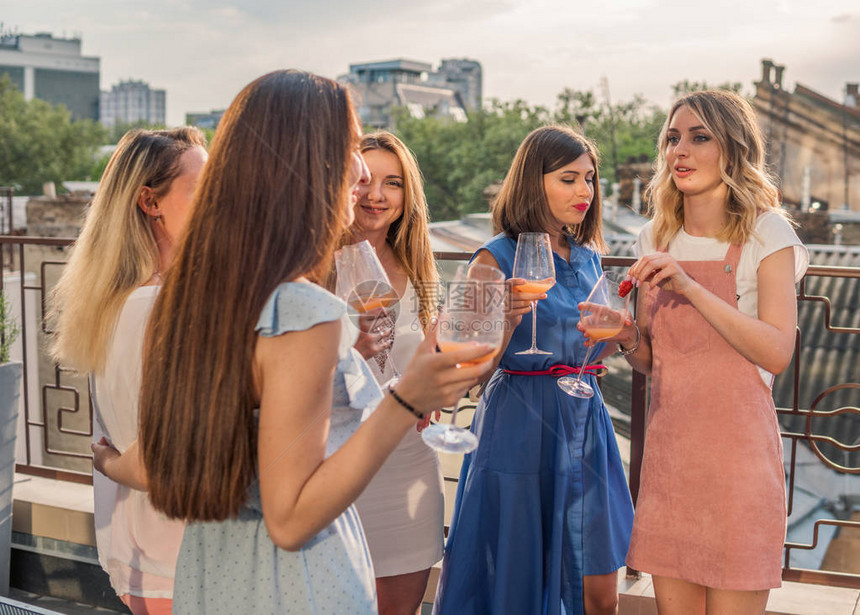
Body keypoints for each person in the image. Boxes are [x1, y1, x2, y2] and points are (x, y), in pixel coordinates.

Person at [135, 70, 493, 615]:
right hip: (298, 585)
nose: (359, 170)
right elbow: (291, 518)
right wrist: (406, 400)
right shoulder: (302, 307)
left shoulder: (201, 287)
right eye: (349, 147)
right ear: (305, 163)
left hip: (217, 571)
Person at [618, 90, 808, 615]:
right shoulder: (653, 237)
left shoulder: (768, 234)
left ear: (734, 150)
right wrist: (624, 337)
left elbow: (775, 352)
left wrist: (690, 288)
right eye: (673, 138)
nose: (681, 150)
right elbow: (658, 362)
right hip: (670, 462)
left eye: (700, 137)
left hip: (738, 468)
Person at [433, 125, 634, 615]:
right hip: (518, 426)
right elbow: (457, 372)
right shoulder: (489, 258)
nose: (585, 191)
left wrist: (615, 335)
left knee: (599, 594)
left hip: (587, 424)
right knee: (515, 583)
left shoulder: (589, 257)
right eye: (569, 179)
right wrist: (503, 322)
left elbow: (586, 351)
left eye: (590, 179)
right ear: (533, 181)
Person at [49, 127, 208, 614]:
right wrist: (111, 463)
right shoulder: (161, 308)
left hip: (148, 551)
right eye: (203, 187)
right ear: (150, 201)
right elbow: (158, 462)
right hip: (183, 561)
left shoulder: (121, 301)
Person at [334, 131, 444, 615]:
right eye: (365, 180)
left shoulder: (417, 265)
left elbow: (423, 359)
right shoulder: (314, 266)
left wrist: (436, 389)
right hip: (340, 463)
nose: (377, 195)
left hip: (410, 460)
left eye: (392, 183)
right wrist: (348, 352)